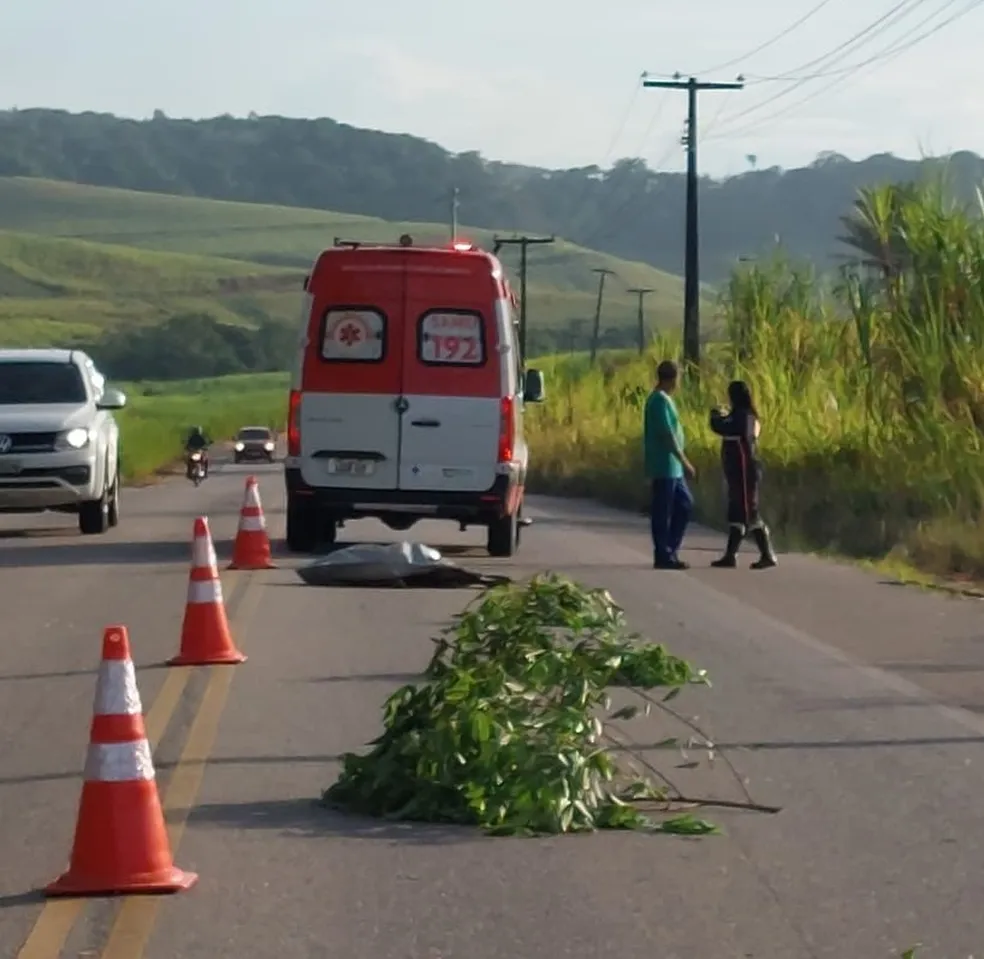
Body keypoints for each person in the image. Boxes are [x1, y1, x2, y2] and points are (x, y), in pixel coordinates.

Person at [708, 380, 778, 570]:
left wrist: (716, 418)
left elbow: (726, 427)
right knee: (737, 513)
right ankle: (730, 556)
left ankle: (767, 554)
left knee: (749, 512)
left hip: (745, 472)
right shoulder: (740, 416)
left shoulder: (745, 417)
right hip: (737, 474)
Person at [643, 359, 696, 570]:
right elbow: (667, 434)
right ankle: (663, 554)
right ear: (671, 378)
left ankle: (670, 550)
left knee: (685, 504)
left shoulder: (666, 399)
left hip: (674, 468)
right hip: (664, 464)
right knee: (662, 511)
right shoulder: (658, 401)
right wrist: (685, 460)